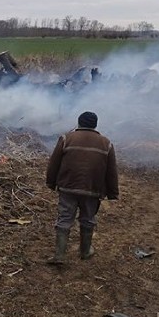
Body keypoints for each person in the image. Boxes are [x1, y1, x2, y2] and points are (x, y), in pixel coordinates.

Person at [45, 111, 119, 265]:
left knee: (65, 218)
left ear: (79, 123)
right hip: (92, 189)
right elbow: (111, 171)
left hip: (68, 187)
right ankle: (85, 251)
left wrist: (51, 182)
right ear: (95, 125)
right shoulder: (106, 143)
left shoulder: (66, 138)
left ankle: (59, 255)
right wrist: (112, 193)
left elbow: (54, 163)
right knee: (88, 219)